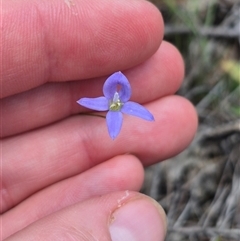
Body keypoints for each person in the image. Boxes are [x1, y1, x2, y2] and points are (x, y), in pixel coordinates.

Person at [1, 0, 198, 240]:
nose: (117, 90)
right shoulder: (107, 106)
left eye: (120, 91)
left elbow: (139, 112)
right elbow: (92, 103)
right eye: (115, 91)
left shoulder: (123, 109)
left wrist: (121, 109)